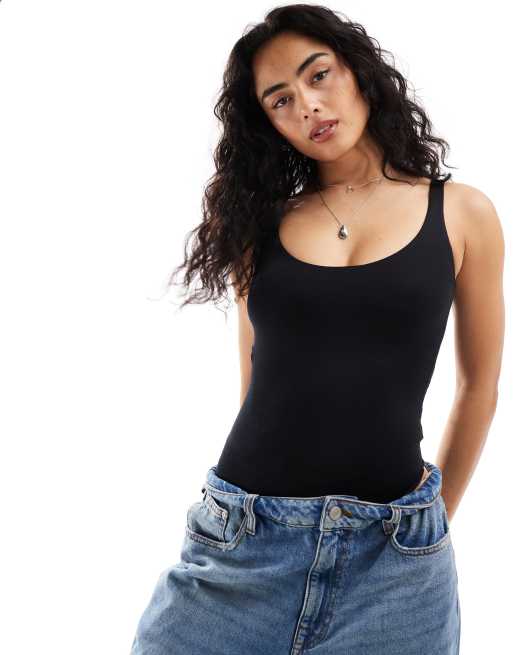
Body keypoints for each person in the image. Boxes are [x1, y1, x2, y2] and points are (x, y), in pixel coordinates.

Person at [130, 5, 504, 654]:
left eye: (318, 74)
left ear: (357, 71)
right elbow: (254, 381)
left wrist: (429, 523)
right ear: (269, 124)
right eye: (280, 99)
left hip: (394, 568)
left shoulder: (462, 212)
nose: (307, 104)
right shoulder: (261, 226)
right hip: (242, 546)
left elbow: (479, 386)